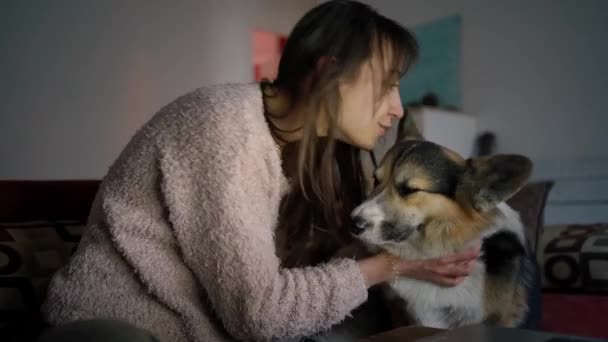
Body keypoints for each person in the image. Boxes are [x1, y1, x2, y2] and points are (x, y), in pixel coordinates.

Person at [39, 1, 480, 341]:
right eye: (387, 85)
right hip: (117, 329)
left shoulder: (302, 151)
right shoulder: (222, 128)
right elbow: (260, 314)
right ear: (328, 74)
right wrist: (388, 266)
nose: (397, 107)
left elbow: (293, 289)